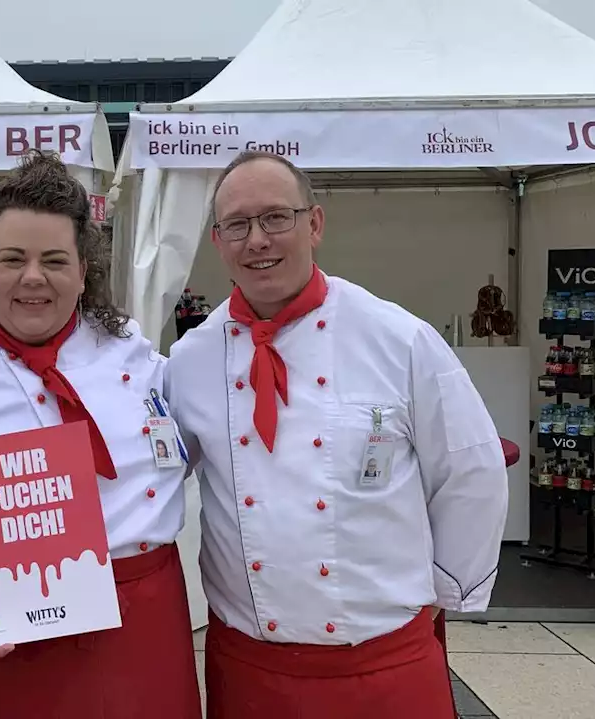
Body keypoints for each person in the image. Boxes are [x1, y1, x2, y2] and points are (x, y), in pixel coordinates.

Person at [165, 150, 508, 719]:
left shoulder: (399, 339)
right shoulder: (190, 358)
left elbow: (471, 468)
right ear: (217, 240)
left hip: (384, 666)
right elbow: (148, 475)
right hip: (249, 671)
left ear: (315, 223)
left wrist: (446, 593)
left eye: (276, 217)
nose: (258, 240)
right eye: (238, 225)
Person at [0, 150, 201, 719]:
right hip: (0, 637)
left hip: (140, 628)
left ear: (82, 270)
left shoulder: (134, 354)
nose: (33, 277)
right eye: (13, 258)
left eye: (54, 260)